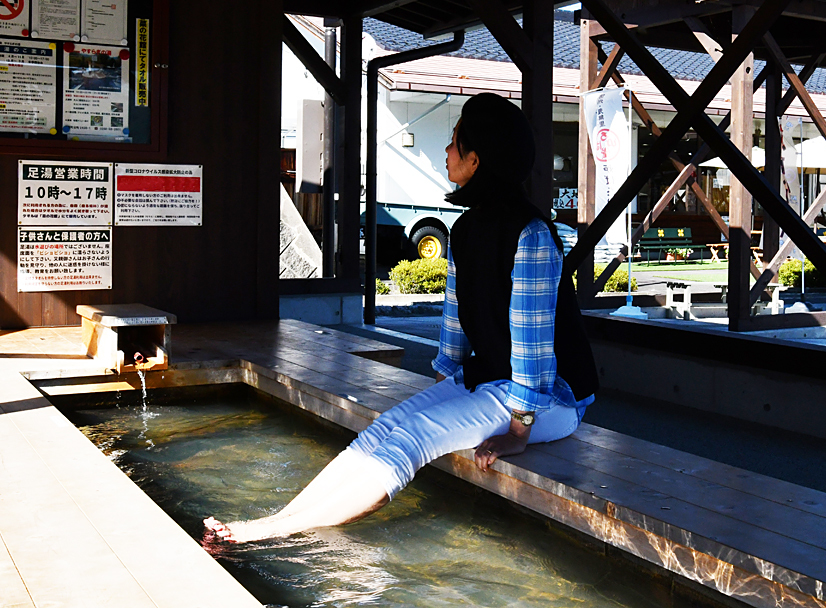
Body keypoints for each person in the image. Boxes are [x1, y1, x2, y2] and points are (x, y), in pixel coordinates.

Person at [204, 92, 598, 542]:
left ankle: (269, 533)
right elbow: (455, 323)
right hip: (494, 379)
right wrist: (444, 385)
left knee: (413, 437)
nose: (446, 152)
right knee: (388, 426)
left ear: (476, 159)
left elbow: (533, 347)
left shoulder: (532, 235)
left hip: (552, 400)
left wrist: (518, 431)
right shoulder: (466, 228)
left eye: (454, 142)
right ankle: (277, 519)